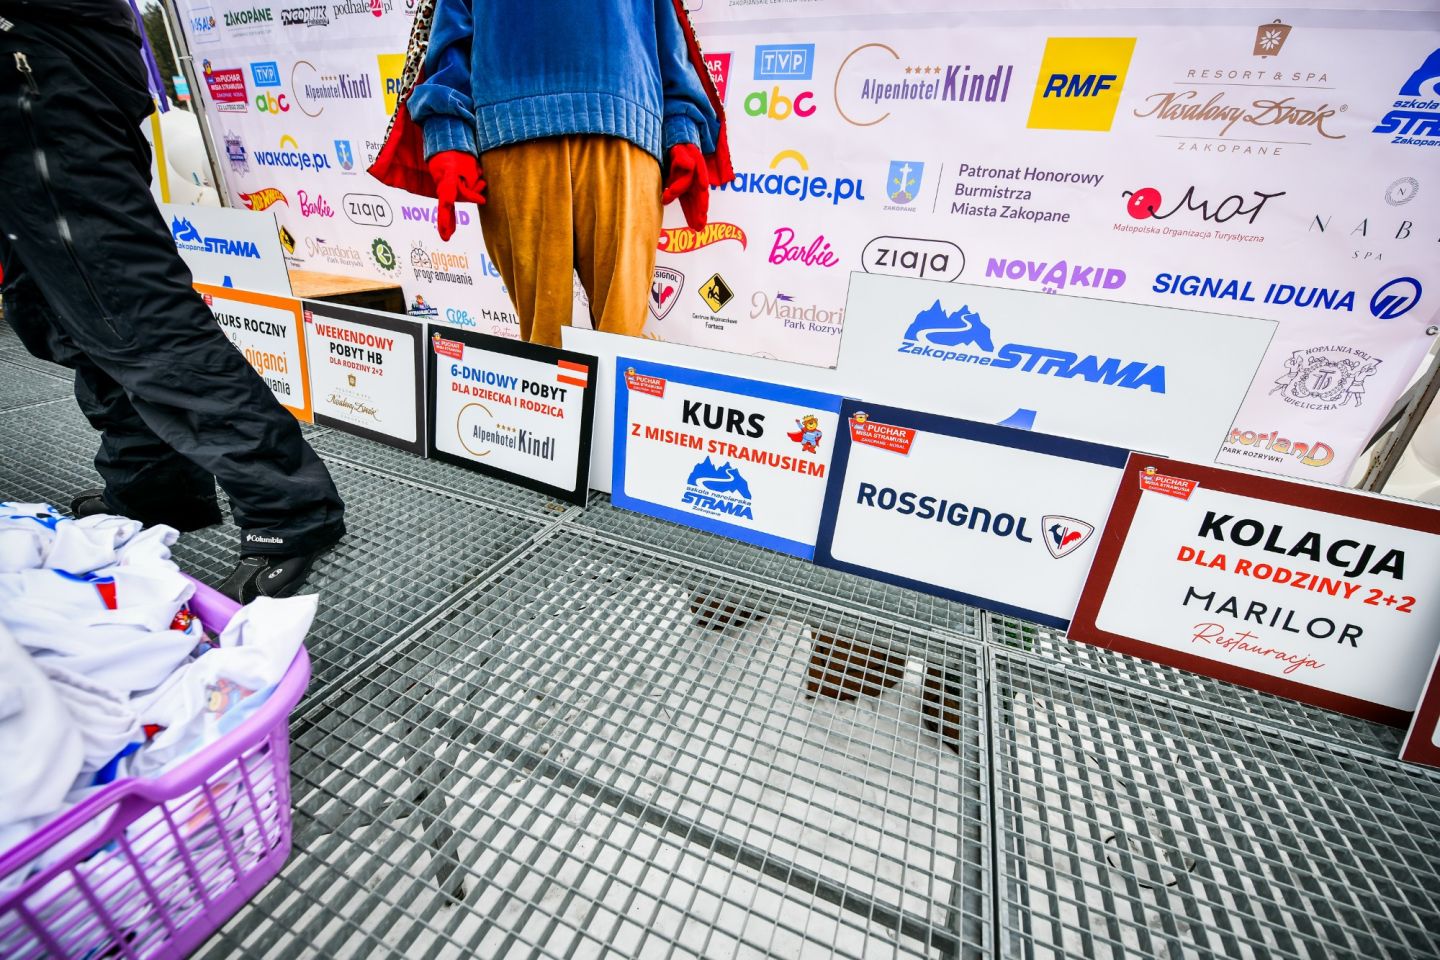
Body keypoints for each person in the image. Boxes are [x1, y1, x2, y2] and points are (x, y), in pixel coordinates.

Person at [0, 0, 346, 601]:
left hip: (34, 55)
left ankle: (288, 509)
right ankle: (156, 487)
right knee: (55, 311)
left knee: (128, 308)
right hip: (32, 62)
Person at [370, 0, 733, 347]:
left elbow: (667, 28)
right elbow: (450, 24)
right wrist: (448, 133)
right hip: (529, 130)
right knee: (545, 349)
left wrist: (683, 127)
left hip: (611, 125)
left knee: (615, 345)